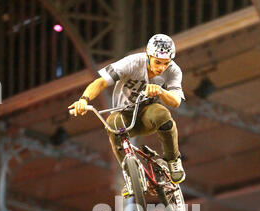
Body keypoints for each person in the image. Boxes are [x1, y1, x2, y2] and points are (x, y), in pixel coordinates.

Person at [69, 34, 186, 197]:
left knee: (162, 113)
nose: (161, 68)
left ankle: (173, 160)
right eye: (157, 62)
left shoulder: (173, 71)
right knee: (112, 123)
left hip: (147, 114)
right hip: (123, 114)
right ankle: (131, 177)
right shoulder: (132, 63)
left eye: (165, 63)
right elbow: (101, 82)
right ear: (148, 54)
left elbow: (175, 102)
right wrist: (83, 99)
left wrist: (160, 90)